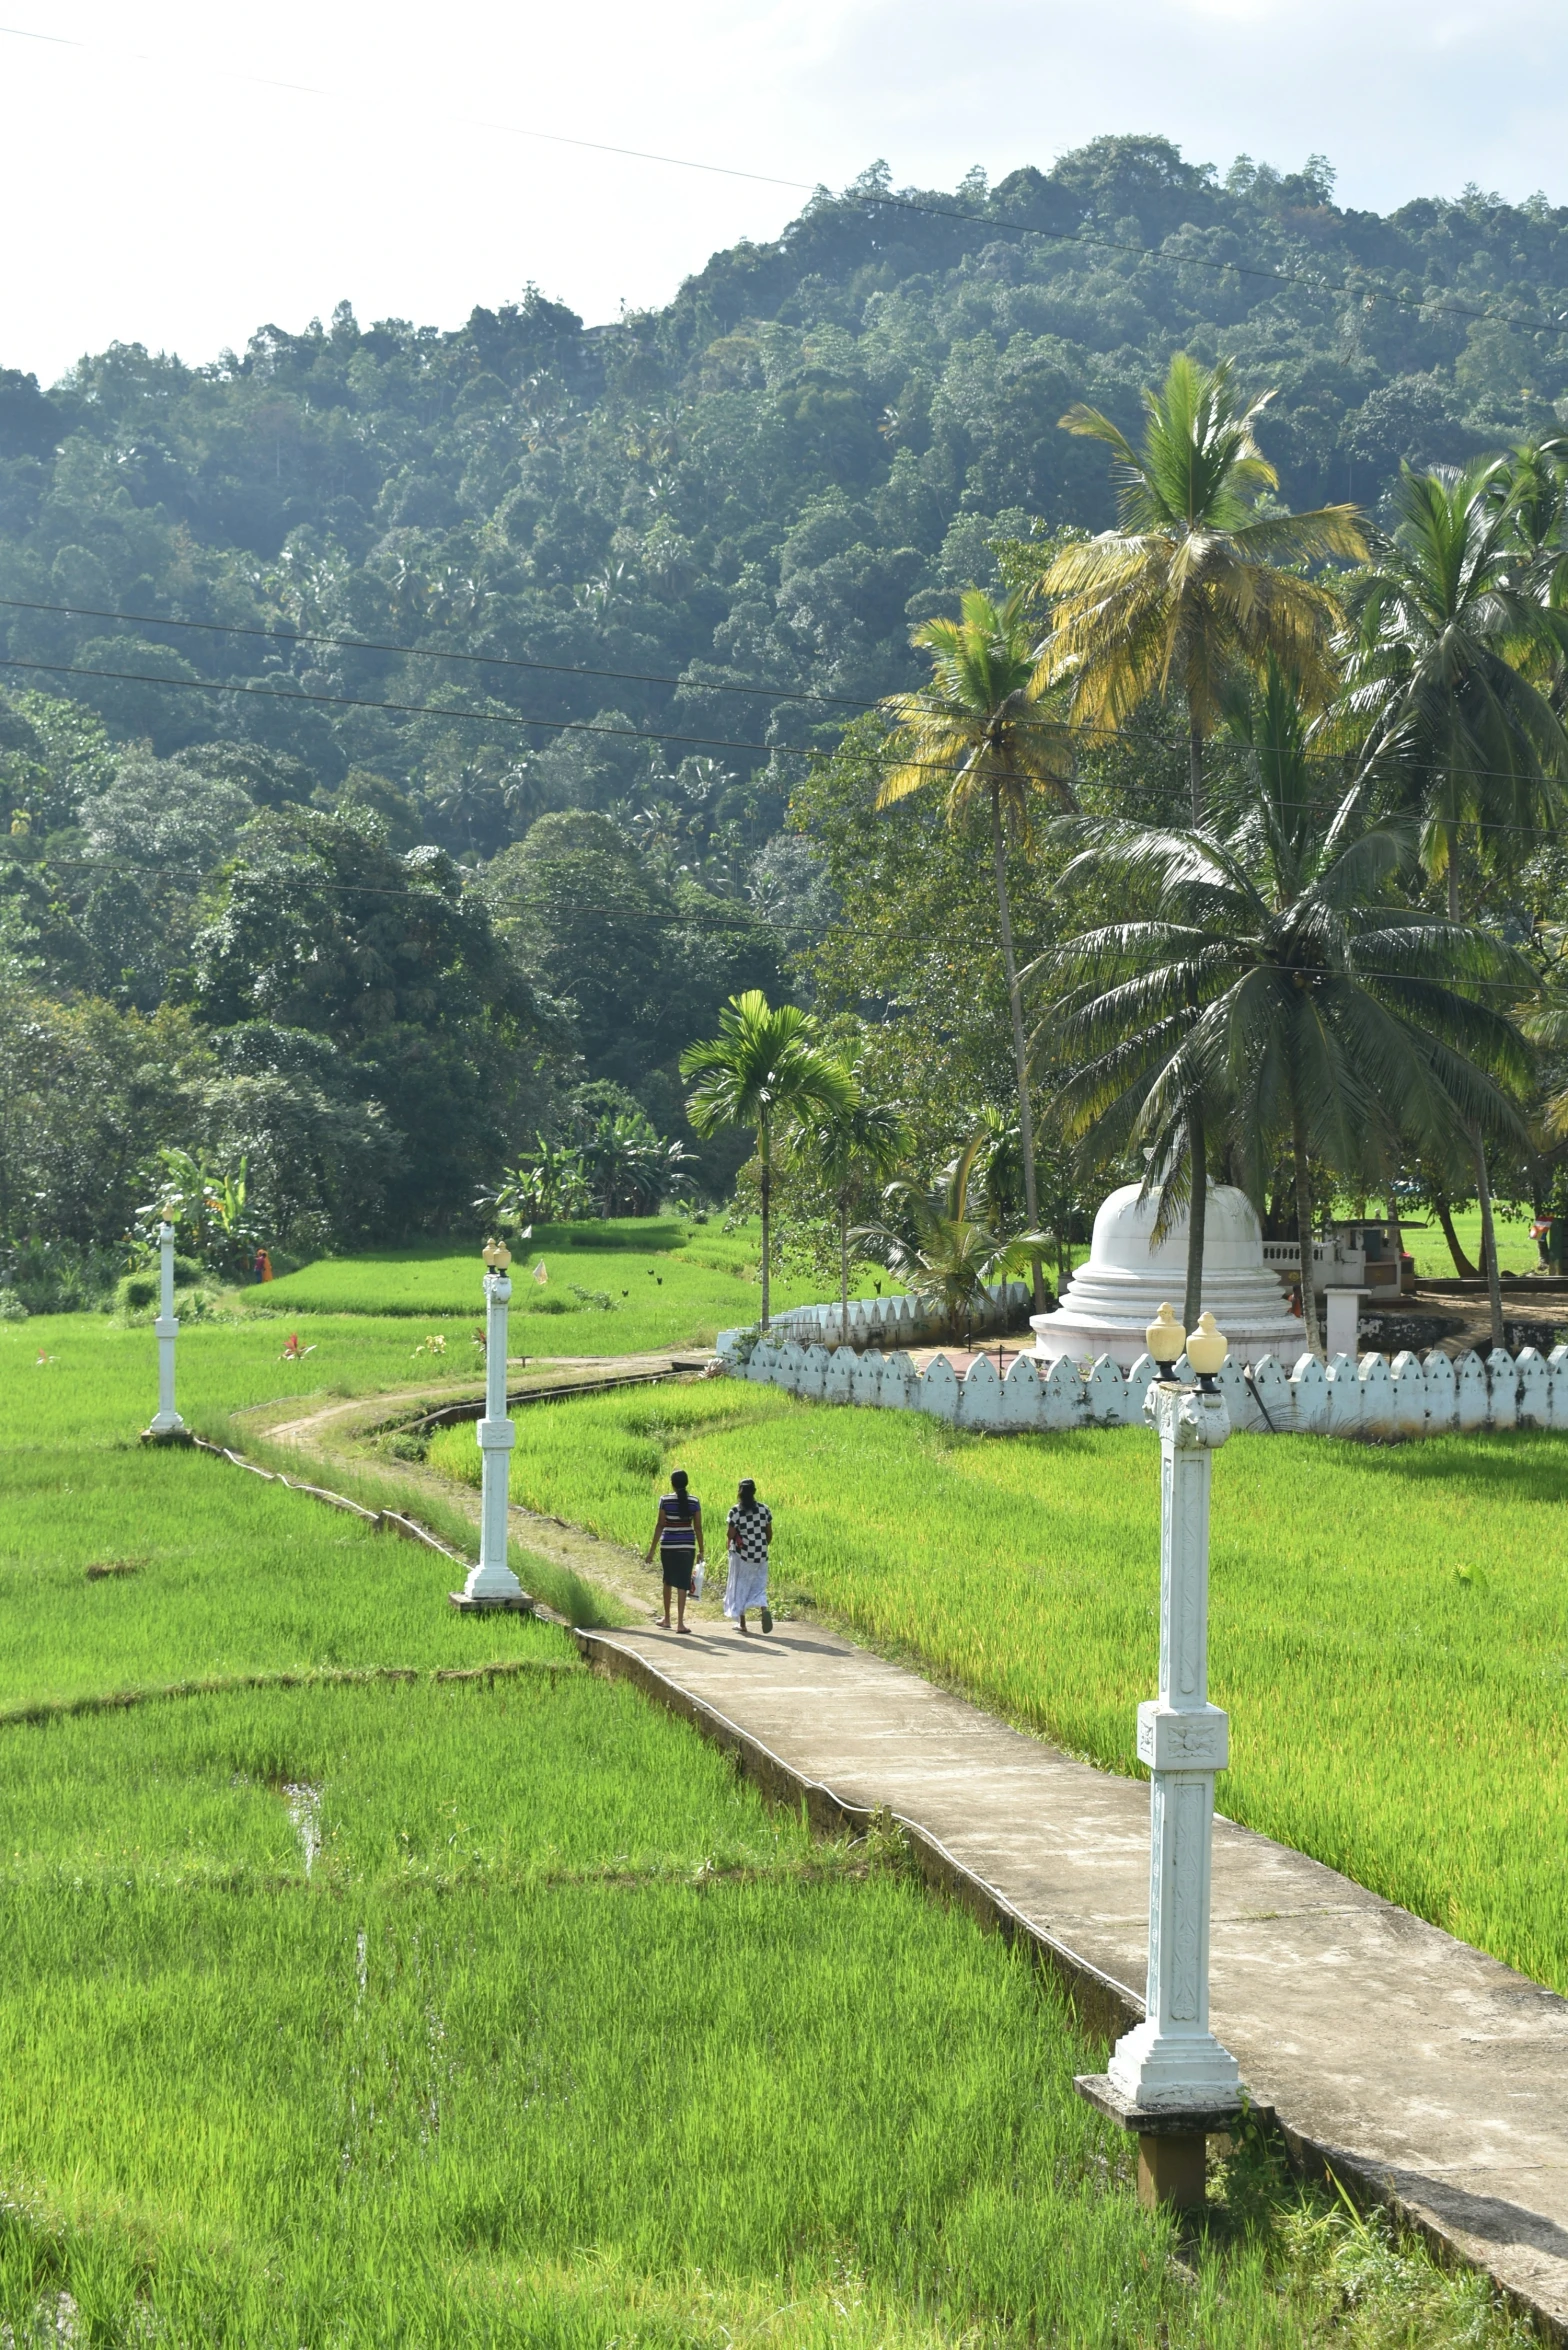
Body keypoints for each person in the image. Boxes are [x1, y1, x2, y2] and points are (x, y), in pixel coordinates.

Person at [645, 1467, 703, 1634]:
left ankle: (667, 1619)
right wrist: (701, 1550)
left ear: (672, 1484)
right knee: (683, 1583)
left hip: (668, 1545)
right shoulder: (694, 1501)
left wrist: (651, 1551)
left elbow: (660, 1525)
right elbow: (698, 1528)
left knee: (668, 1580)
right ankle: (681, 1624)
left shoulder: (665, 1500)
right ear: (686, 1483)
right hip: (687, 1546)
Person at [724, 1477, 773, 1635]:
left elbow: (730, 1534)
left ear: (739, 1493)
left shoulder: (735, 1511)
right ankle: (764, 1608)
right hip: (761, 1554)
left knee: (741, 1585)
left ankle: (742, 1623)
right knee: (759, 1585)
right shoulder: (764, 1509)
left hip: (743, 1555)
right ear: (754, 1492)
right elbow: (769, 1534)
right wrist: (762, 1546)